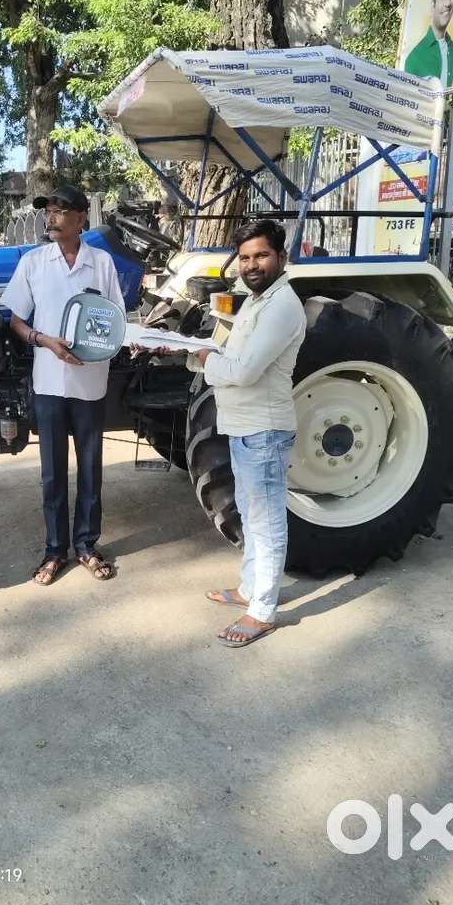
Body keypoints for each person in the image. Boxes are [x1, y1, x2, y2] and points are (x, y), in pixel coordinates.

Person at [1, 183, 124, 586]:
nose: (50, 218)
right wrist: (44, 341)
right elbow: (17, 321)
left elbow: (113, 320)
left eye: (59, 211)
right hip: (50, 381)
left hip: (90, 381)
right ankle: (55, 551)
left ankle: (86, 545)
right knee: (52, 473)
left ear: (82, 218)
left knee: (90, 469)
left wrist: (91, 348)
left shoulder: (101, 263)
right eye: (47, 211)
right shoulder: (34, 263)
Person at [195, 219, 306, 648]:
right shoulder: (258, 300)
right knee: (250, 512)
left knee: (266, 520)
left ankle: (262, 611)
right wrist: (196, 353)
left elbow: (242, 371)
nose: (252, 264)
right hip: (245, 428)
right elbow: (234, 355)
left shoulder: (281, 306)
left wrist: (204, 358)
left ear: (280, 256)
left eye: (261, 255)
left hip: (264, 429)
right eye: (244, 257)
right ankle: (248, 587)